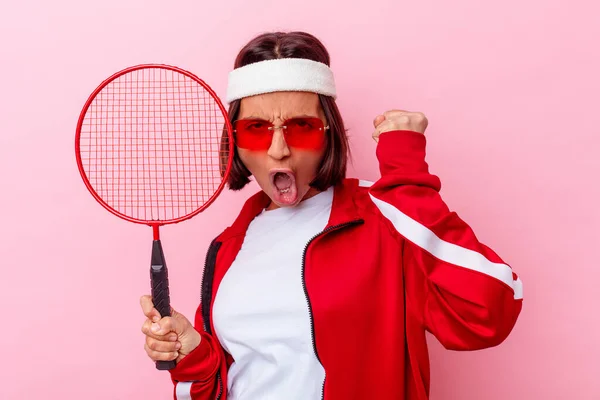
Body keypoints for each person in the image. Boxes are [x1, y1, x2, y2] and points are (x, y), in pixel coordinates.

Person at [139, 31, 523, 400]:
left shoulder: (386, 220)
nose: (279, 150)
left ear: (329, 135)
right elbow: (217, 386)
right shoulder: (227, 247)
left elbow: (488, 312)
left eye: (301, 127)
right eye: (256, 128)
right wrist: (193, 357)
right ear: (235, 143)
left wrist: (406, 177)